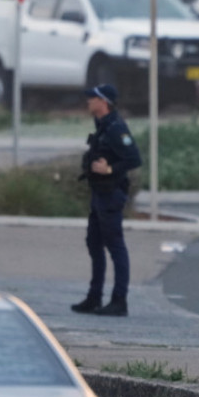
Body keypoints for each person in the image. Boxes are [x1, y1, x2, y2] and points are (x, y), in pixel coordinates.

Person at [71, 84, 142, 317]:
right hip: (99, 194)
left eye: (93, 98)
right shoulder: (102, 125)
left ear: (104, 102)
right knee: (94, 243)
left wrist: (110, 169)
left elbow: (134, 158)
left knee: (115, 246)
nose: (88, 101)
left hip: (111, 195)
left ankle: (119, 301)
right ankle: (94, 297)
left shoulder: (116, 128)